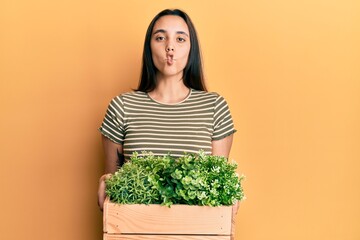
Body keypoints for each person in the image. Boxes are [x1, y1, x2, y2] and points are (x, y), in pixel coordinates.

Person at [97, 9, 237, 210]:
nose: (169, 47)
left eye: (180, 39)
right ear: (149, 47)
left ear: (191, 49)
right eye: (160, 38)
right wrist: (106, 182)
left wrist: (231, 192)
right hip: (136, 230)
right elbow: (113, 188)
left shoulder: (214, 107)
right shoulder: (122, 107)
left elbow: (218, 188)